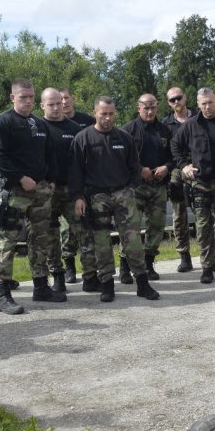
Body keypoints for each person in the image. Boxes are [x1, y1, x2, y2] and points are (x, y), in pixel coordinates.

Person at [68, 96, 160, 302]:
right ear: (94, 113)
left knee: (133, 241)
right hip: (96, 196)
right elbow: (75, 173)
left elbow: (135, 167)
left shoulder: (124, 138)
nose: (108, 118)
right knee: (101, 243)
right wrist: (78, 197)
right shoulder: (82, 139)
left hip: (123, 194)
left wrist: (131, 189)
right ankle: (107, 284)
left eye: (111, 114)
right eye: (103, 114)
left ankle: (142, 283)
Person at [0, 78, 66, 314]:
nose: (28, 101)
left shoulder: (39, 124)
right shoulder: (2, 122)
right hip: (16, 191)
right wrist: (20, 178)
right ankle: (2, 294)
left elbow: (50, 154)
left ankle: (41, 286)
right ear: (13, 97)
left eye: (31, 97)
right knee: (8, 241)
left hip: (41, 191)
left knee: (41, 238)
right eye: (23, 97)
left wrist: (50, 180)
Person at [172, 87, 215, 284]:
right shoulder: (190, 125)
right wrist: (184, 165)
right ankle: (207, 267)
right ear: (197, 104)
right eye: (203, 103)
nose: (207, 106)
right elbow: (175, 145)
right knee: (203, 227)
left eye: (210, 102)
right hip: (200, 183)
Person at [122, 93, 173, 282]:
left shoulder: (165, 130)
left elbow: (174, 156)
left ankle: (149, 263)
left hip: (158, 187)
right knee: (131, 228)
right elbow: (122, 158)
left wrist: (166, 167)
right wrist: (139, 169)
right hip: (136, 187)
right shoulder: (128, 130)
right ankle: (124, 267)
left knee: (157, 226)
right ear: (139, 108)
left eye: (153, 107)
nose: (150, 111)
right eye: (146, 108)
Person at [41, 87, 87, 294]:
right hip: (47, 190)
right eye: (51, 104)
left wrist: (80, 193)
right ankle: (57, 276)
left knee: (83, 232)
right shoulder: (38, 127)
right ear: (42, 105)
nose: (56, 107)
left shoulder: (75, 128)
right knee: (50, 236)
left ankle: (90, 275)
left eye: (59, 103)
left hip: (71, 190)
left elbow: (82, 163)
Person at [161, 87, 196, 273]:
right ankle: (184, 256)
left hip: (199, 168)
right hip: (177, 170)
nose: (176, 102)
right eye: (172, 100)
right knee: (178, 214)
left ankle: (211, 255)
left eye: (179, 98)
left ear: (185, 97)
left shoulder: (199, 117)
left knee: (205, 213)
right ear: (168, 103)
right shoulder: (165, 124)